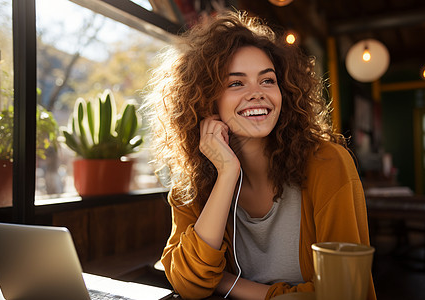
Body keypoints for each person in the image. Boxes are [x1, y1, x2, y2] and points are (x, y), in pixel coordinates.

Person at [144, 11, 376, 300]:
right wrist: (227, 174)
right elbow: (188, 282)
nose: (257, 93)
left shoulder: (328, 162)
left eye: (267, 80)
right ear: (207, 101)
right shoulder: (191, 182)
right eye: (236, 83)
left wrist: (227, 283)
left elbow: (344, 291)